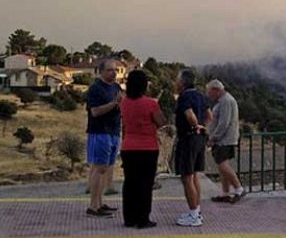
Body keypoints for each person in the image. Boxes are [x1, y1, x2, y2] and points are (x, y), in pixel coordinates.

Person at [120, 70, 166, 228]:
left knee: (130, 183)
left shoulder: (124, 102)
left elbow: (124, 125)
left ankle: (129, 218)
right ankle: (142, 218)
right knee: (145, 184)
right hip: (147, 147)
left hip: (128, 146)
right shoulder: (151, 103)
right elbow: (161, 122)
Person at [85, 58, 123, 218]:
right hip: (100, 132)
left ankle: (100, 203)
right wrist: (114, 104)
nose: (113, 73)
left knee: (105, 168)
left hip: (114, 131)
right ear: (101, 72)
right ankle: (93, 206)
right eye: (110, 70)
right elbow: (95, 111)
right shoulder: (95, 89)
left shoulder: (116, 87)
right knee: (99, 168)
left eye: (115, 70)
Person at [174, 69, 211, 227]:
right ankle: (196, 211)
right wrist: (203, 128)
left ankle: (194, 214)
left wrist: (195, 125)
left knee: (186, 176)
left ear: (182, 83)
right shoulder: (201, 95)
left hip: (188, 138)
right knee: (195, 175)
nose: (175, 83)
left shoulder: (185, 97)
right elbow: (210, 115)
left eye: (177, 80)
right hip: (200, 139)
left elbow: (189, 114)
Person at [206, 79, 247, 203]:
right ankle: (225, 192)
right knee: (222, 166)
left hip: (224, 140)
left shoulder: (226, 101)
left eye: (210, 92)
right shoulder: (224, 100)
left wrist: (213, 138)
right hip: (225, 139)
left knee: (222, 165)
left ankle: (238, 188)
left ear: (216, 90)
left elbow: (224, 123)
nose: (209, 95)